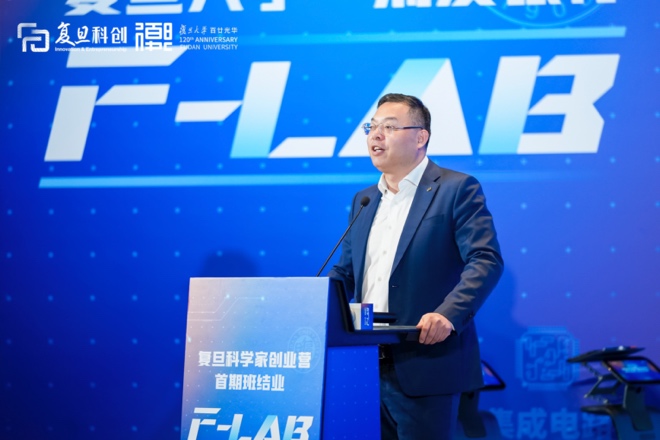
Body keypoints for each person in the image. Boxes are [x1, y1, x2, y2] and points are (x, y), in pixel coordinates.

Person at [328, 93, 503, 440]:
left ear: (420, 137)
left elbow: (485, 259)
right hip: (364, 364)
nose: (376, 135)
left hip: (426, 361)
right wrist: (308, 302)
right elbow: (345, 274)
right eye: (371, 127)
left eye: (389, 127)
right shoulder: (364, 200)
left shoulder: (456, 189)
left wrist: (448, 315)